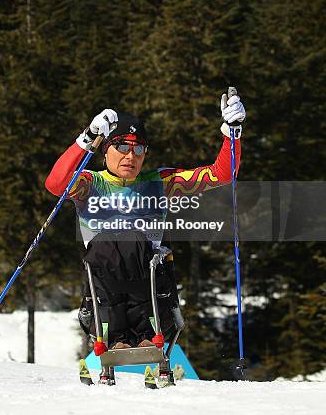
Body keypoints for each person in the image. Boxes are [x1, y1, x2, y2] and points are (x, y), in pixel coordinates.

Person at [45, 93, 246, 350]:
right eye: (122, 147)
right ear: (105, 151)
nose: (130, 156)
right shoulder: (90, 183)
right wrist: (87, 138)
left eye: (138, 148)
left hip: (149, 285)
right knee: (110, 242)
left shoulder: (160, 182)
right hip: (104, 289)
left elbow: (223, 173)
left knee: (136, 243)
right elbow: (55, 184)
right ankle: (114, 337)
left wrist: (233, 133)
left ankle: (145, 334)